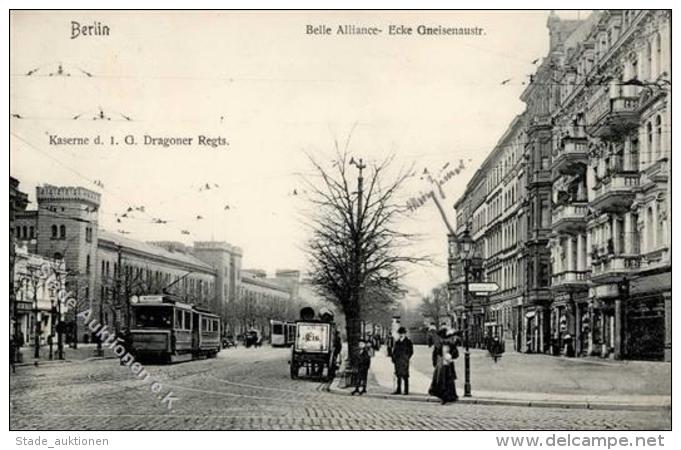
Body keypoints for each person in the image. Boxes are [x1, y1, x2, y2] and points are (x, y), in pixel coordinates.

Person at [429, 339, 459, 404]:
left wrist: (451, 356)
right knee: (441, 381)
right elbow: (435, 354)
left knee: (449, 382)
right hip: (441, 365)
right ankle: (443, 397)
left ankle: (449, 397)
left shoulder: (451, 345)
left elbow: (456, 354)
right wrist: (435, 363)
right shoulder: (439, 344)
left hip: (448, 365)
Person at [391, 327, 414, 395]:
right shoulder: (397, 342)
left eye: (402, 333)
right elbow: (394, 351)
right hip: (398, 360)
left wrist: (407, 357)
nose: (401, 335)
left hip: (404, 361)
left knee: (405, 375)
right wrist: (393, 358)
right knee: (398, 375)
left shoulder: (408, 342)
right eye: (400, 333)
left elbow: (411, 351)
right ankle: (398, 389)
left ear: (405, 334)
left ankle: (406, 390)